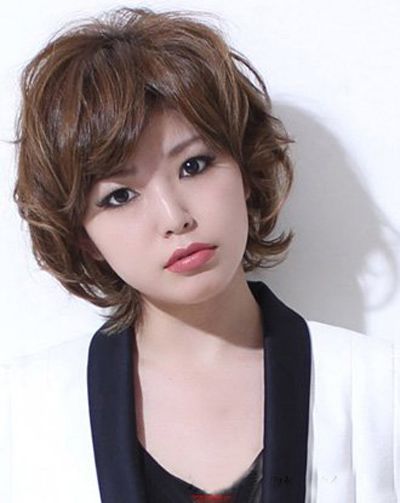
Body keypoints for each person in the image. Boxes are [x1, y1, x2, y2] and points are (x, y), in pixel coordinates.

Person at [9, 6, 399, 503]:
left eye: (194, 165)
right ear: (83, 236)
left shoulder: (379, 389)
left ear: (246, 170)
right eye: (120, 196)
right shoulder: (22, 414)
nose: (174, 217)